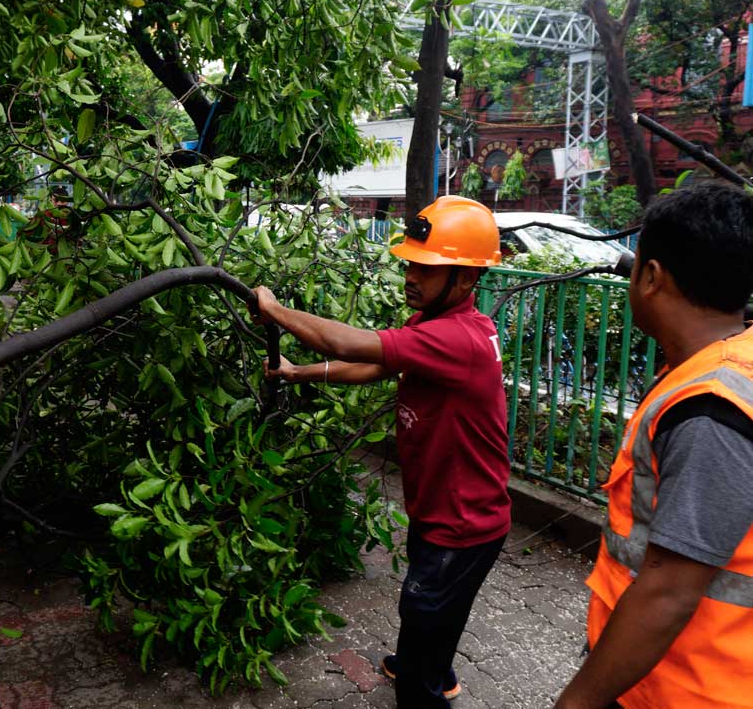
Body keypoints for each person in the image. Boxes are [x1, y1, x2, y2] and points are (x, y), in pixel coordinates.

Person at [252, 195, 511, 708]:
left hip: (460, 525)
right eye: (412, 263)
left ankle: (424, 681)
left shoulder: (456, 339)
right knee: (436, 611)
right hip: (448, 511)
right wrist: (295, 372)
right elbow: (375, 366)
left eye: (427, 268)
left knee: (424, 619)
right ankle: (433, 663)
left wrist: (275, 310)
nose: (412, 275)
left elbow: (349, 345)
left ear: (464, 279)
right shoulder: (437, 328)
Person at [555, 181, 753, 709]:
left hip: (682, 687)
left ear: (650, 276)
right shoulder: (730, 363)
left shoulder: (711, 407)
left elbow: (669, 590)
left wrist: (575, 703)